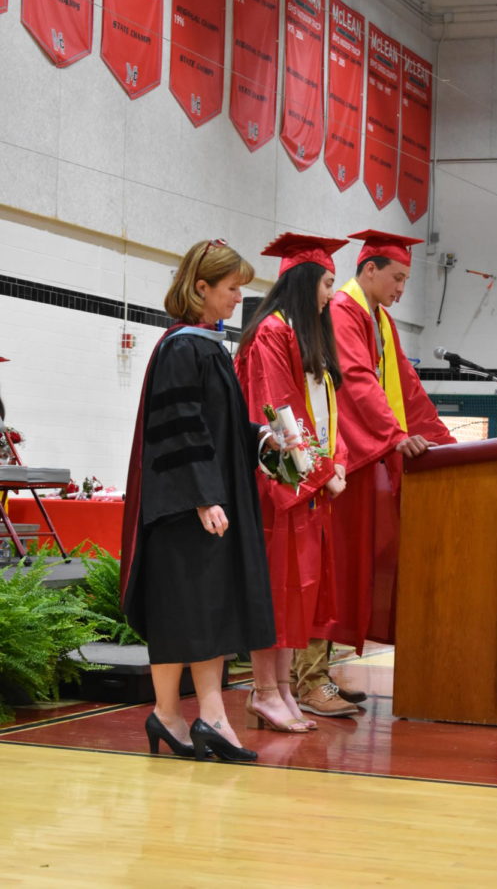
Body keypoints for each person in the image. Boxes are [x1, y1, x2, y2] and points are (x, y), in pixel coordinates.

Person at [120, 239, 284, 763]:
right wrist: (204, 497)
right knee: (182, 611)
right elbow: (180, 430)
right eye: (233, 288)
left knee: (202, 610)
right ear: (201, 288)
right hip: (185, 508)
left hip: (203, 502)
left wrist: (261, 439)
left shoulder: (207, 346)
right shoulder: (183, 347)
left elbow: (218, 428)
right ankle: (183, 715)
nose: (240, 297)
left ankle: (189, 715)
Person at [293, 230, 456, 711]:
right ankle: (307, 680)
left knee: (346, 574)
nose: (403, 288)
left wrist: (446, 442)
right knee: (330, 571)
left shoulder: (379, 320)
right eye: (398, 277)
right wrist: (392, 436)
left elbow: (406, 385)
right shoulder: (344, 311)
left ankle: (320, 674)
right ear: (369, 270)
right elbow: (358, 382)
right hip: (344, 463)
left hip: (362, 466)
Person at [235, 233, 359, 722]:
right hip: (280, 488)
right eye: (328, 282)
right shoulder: (271, 332)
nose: (332, 293)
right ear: (306, 280)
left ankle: (281, 689)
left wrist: (340, 460)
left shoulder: (304, 336)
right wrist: (320, 471)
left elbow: (327, 412)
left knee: (297, 594)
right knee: (277, 589)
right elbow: (276, 411)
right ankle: (263, 689)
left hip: (309, 488)